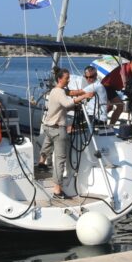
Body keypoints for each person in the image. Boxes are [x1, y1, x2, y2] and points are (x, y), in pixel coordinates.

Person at [39, 68, 89, 199]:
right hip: (57, 129)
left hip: (48, 126)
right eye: (67, 78)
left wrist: (78, 96)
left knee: (47, 145)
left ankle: (41, 163)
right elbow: (67, 103)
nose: (68, 80)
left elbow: (63, 104)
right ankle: (57, 190)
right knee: (60, 159)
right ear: (60, 79)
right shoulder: (60, 92)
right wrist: (84, 96)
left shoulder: (54, 91)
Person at [101, 56, 132, 125]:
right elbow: (126, 84)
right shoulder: (124, 68)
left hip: (113, 88)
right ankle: (98, 121)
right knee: (114, 106)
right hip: (106, 86)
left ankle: (110, 126)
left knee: (118, 106)